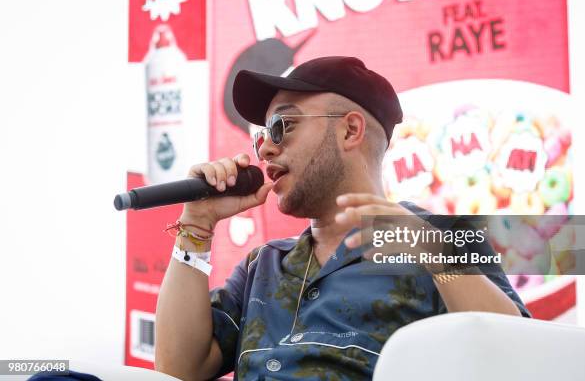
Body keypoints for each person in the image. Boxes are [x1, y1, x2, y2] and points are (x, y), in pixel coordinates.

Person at [155, 56, 530, 381]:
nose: (266, 149)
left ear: (350, 129)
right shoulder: (264, 264)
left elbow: (518, 357)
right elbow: (179, 369)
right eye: (260, 138)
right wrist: (197, 227)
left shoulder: (439, 238)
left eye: (281, 127)